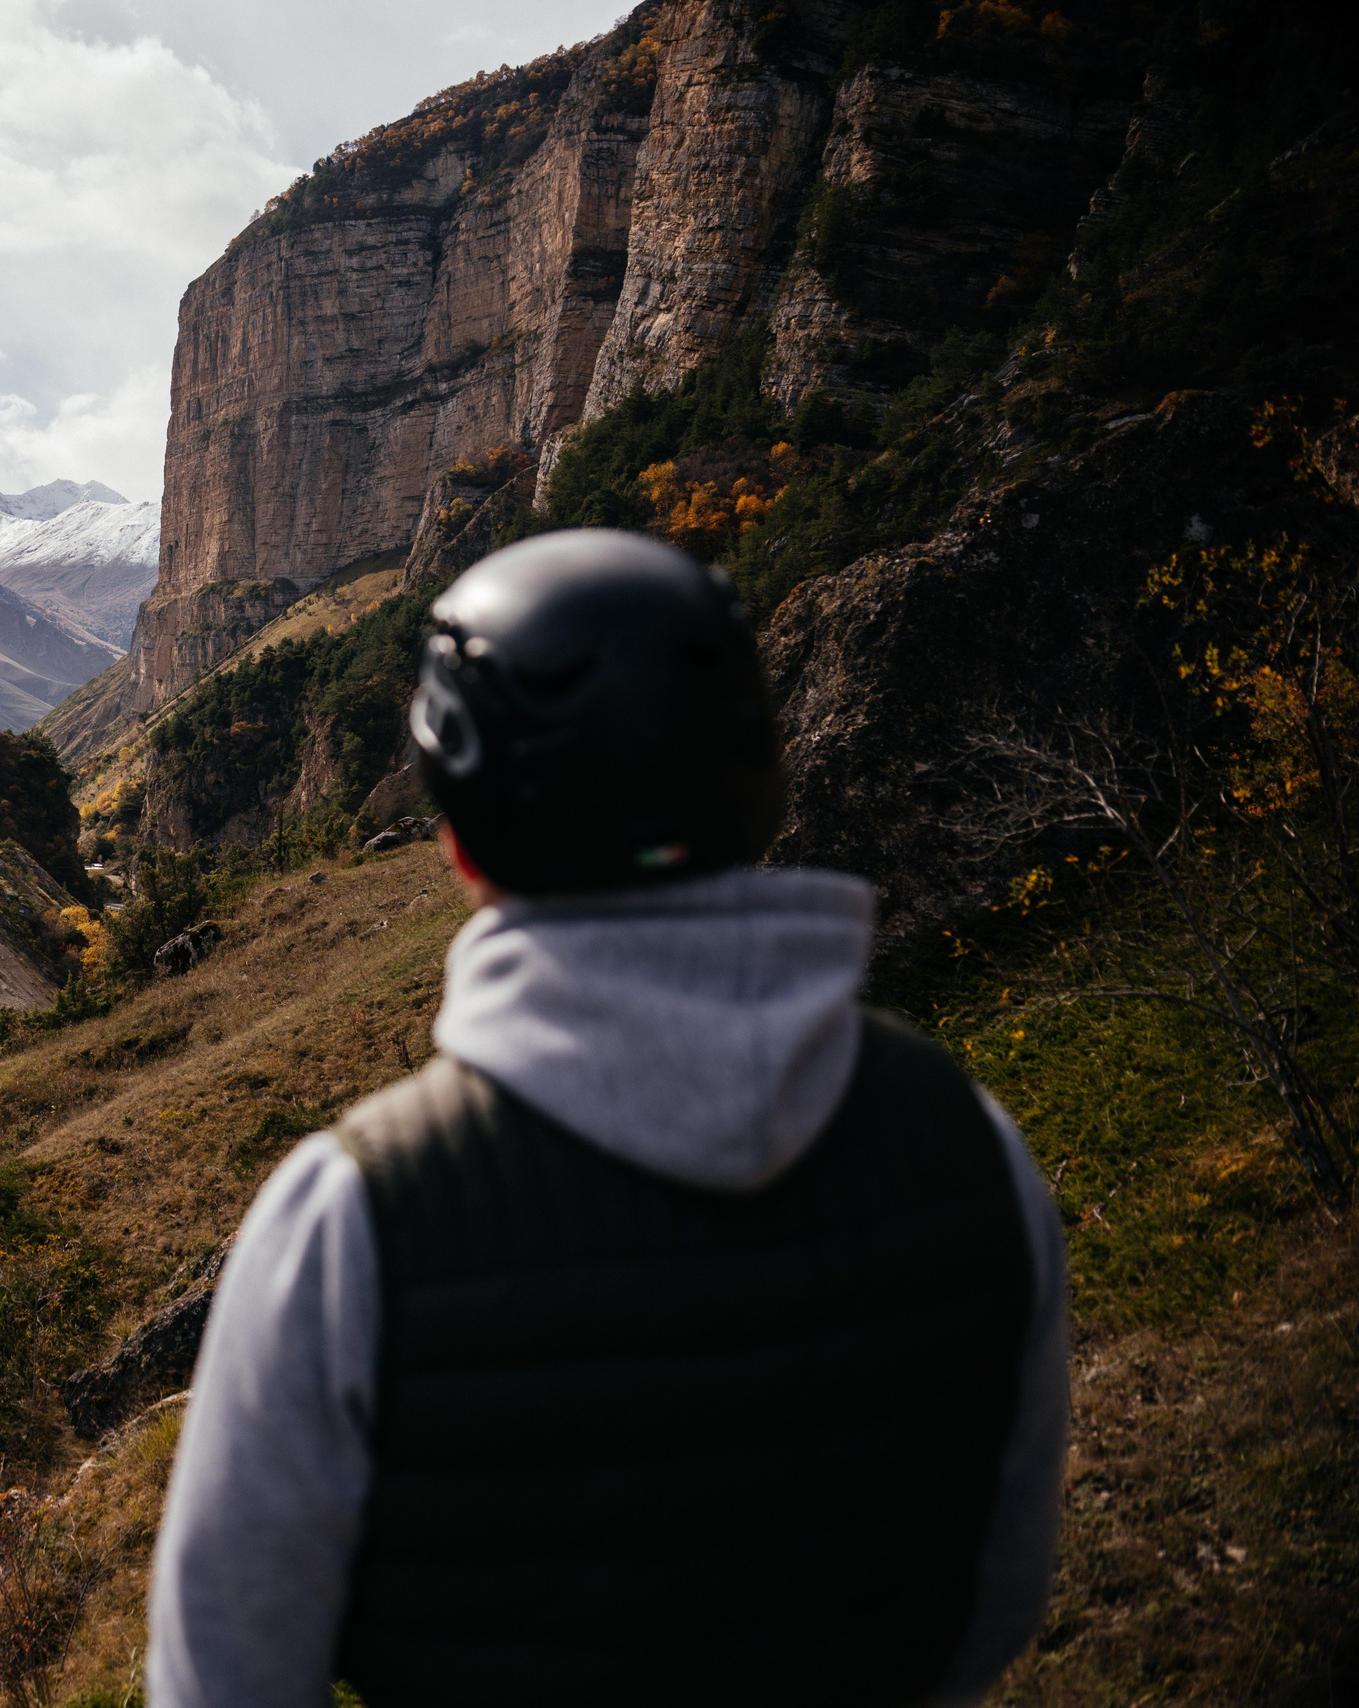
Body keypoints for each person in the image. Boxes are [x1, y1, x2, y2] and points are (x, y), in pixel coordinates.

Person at [148, 530, 1067, 1707]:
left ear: (459, 840)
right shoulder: (969, 1144)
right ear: (755, 783)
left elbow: (223, 1675)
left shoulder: (350, 1221)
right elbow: (995, 1601)